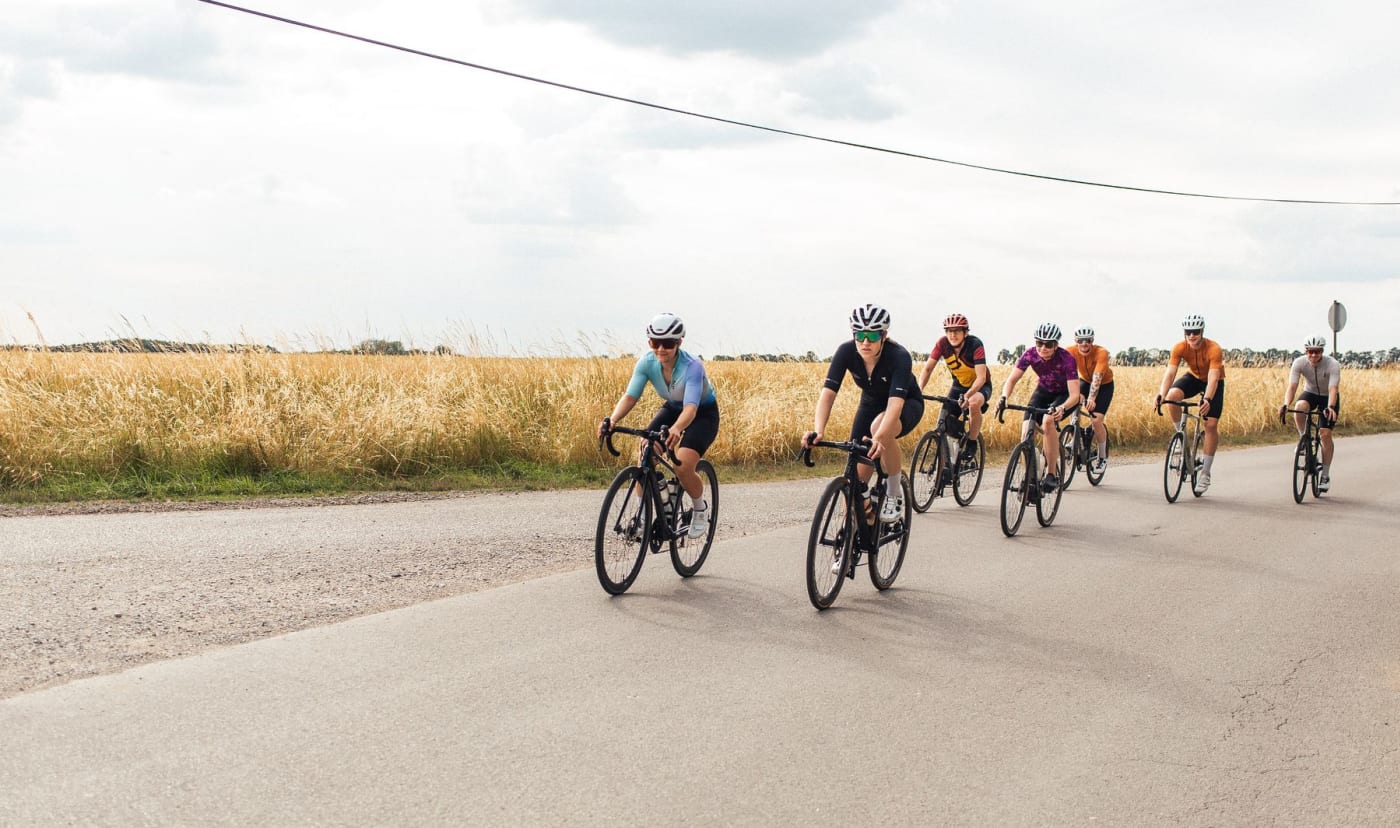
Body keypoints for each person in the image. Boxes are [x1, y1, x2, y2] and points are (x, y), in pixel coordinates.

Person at [598, 313, 718, 539]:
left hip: (702, 414)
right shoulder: (646, 362)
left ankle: (700, 509)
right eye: (655, 343)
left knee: (682, 465)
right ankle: (643, 518)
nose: (661, 349)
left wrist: (676, 429)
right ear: (649, 342)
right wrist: (612, 420)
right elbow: (630, 397)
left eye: (668, 343)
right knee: (646, 452)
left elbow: (690, 410)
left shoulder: (692, 366)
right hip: (673, 407)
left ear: (679, 342)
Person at [802, 303, 924, 523]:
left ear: (883, 335)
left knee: (880, 428)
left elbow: (894, 406)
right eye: (860, 335)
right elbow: (828, 395)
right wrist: (818, 431)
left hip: (906, 403)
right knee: (853, 482)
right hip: (870, 403)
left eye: (872, 335)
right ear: (854, 334)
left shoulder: (899, 356)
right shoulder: (846, 351)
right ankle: (851, 535)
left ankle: (894, 492)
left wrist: (879, 438)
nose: (865, 342)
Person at [996, 322, 1081, 491]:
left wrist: (1062, 408)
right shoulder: (1030, 354)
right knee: (1026, 431)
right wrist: (1004, 396)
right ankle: (1030, 477)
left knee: (1048, 421)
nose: (1043, 348)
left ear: (1056, 345)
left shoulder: (1067, 359)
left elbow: (1075, 395)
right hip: (1042, 391)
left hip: (1064, 395)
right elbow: (1012, 379)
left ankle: (1051, 474)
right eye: (1039, 343)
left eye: (1048, 344)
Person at [1156, 313, 1225, 494]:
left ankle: (1206, 473)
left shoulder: (1214, 349)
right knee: (1173, 395)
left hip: (1213, 382)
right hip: (1193, 378)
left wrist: (1208, 399)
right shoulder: (1179, 347)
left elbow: (1213, 378)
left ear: (1202, 331)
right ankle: (1180, 436)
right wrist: (1161, 394)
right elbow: (1170, 373)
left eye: (1195, 332)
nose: (1192, 336)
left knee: (1210, 424)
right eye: (1188, 332)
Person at [917, 312, 991, 463]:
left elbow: (981, 377)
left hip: (980, 386)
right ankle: (946, 463)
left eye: (957, 331)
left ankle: (971, 442)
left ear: (965, 333)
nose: (953, 335)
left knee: (973, 403)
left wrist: (968, 395)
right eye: (949, 331)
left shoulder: (975, 345)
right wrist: (918, 391)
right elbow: (927, 369)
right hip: (958, 386)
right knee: (943, 422)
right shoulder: (942, 344)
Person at [1279, 336, 1340, 491]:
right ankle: (1304, 439)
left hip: (1328, 397)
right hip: (1310, 393)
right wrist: (1286, 404)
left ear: (1322, 351)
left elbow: (1333, 389)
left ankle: (1325, 475)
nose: (1313, 355)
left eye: (1317, 352)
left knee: (1325, 433)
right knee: (1300, 406)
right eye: (1310, 352)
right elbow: (1292, 386)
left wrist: (1331, 407)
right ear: (1306, 351)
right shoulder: (1299, 363)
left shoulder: (1332, 364)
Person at [1070, 326, 1114, 474]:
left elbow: (1097, 378)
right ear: (1075, 341)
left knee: (1096, 421)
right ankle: (1073, 437)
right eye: (1080, 341)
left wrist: (1091, 398)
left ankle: (1102, 457)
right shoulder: (1070, 351)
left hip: (1104, 385)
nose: (1084, 344)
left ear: (1092, 341)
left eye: (1088, 340)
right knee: (1073, 401)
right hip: (1084, 381)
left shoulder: (1101, 353)